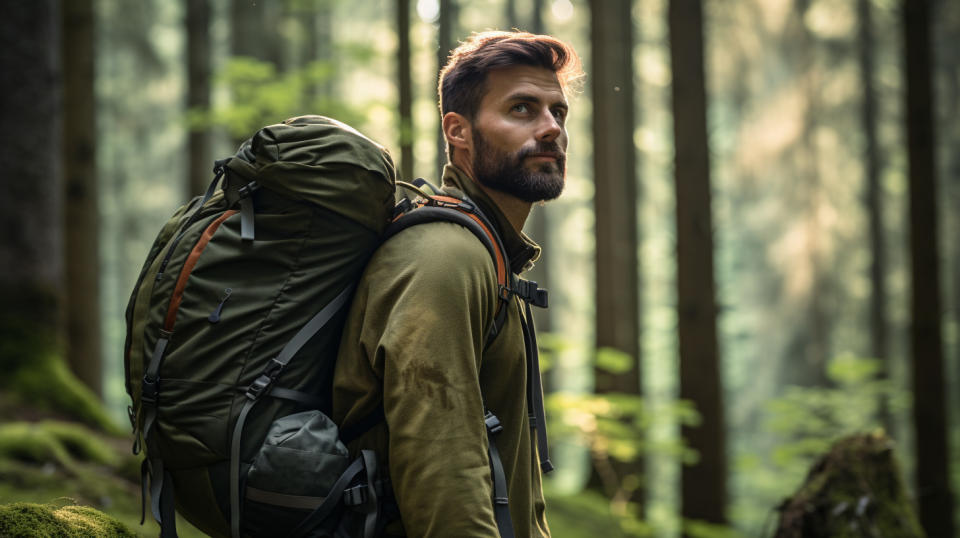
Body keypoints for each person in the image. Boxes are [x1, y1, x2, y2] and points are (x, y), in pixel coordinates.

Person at [332, 30, 582, 537]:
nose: (551, 128)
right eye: (522, 109)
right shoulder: (446, 258)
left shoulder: (485, 251)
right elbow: (442, 469)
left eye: (558, 112)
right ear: (458, 131)